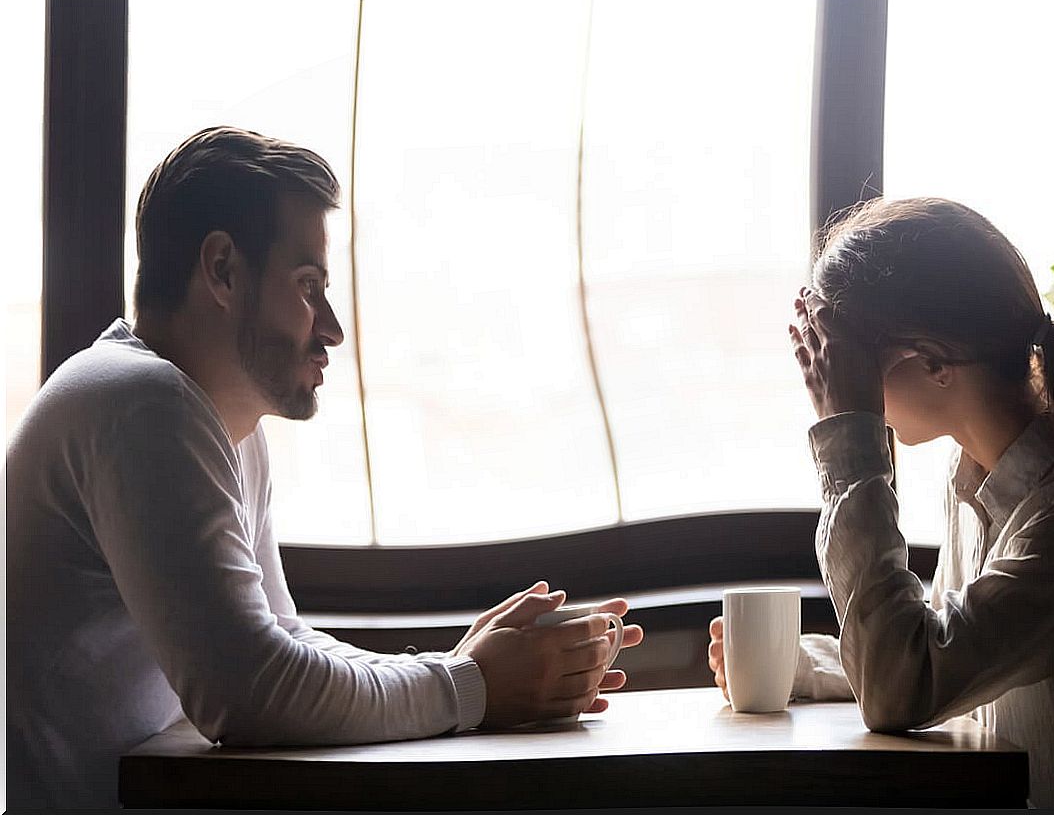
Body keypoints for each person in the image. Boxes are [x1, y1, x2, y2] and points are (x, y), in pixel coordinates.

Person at [6, 126, 643, 809]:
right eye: (308, 285)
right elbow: (251, 692)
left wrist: (463, 672)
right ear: (221, 269)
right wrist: (472, 686)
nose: (333, 327)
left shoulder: (215, 424)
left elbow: (278, 639)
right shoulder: (140, 404)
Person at [707, 197, 1054, 808]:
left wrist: (850, 437)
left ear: (933, 362)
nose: (829, 380)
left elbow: (905, 687)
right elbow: (957, 653)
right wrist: (796, 666)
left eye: (846, 360)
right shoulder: (976, 473)